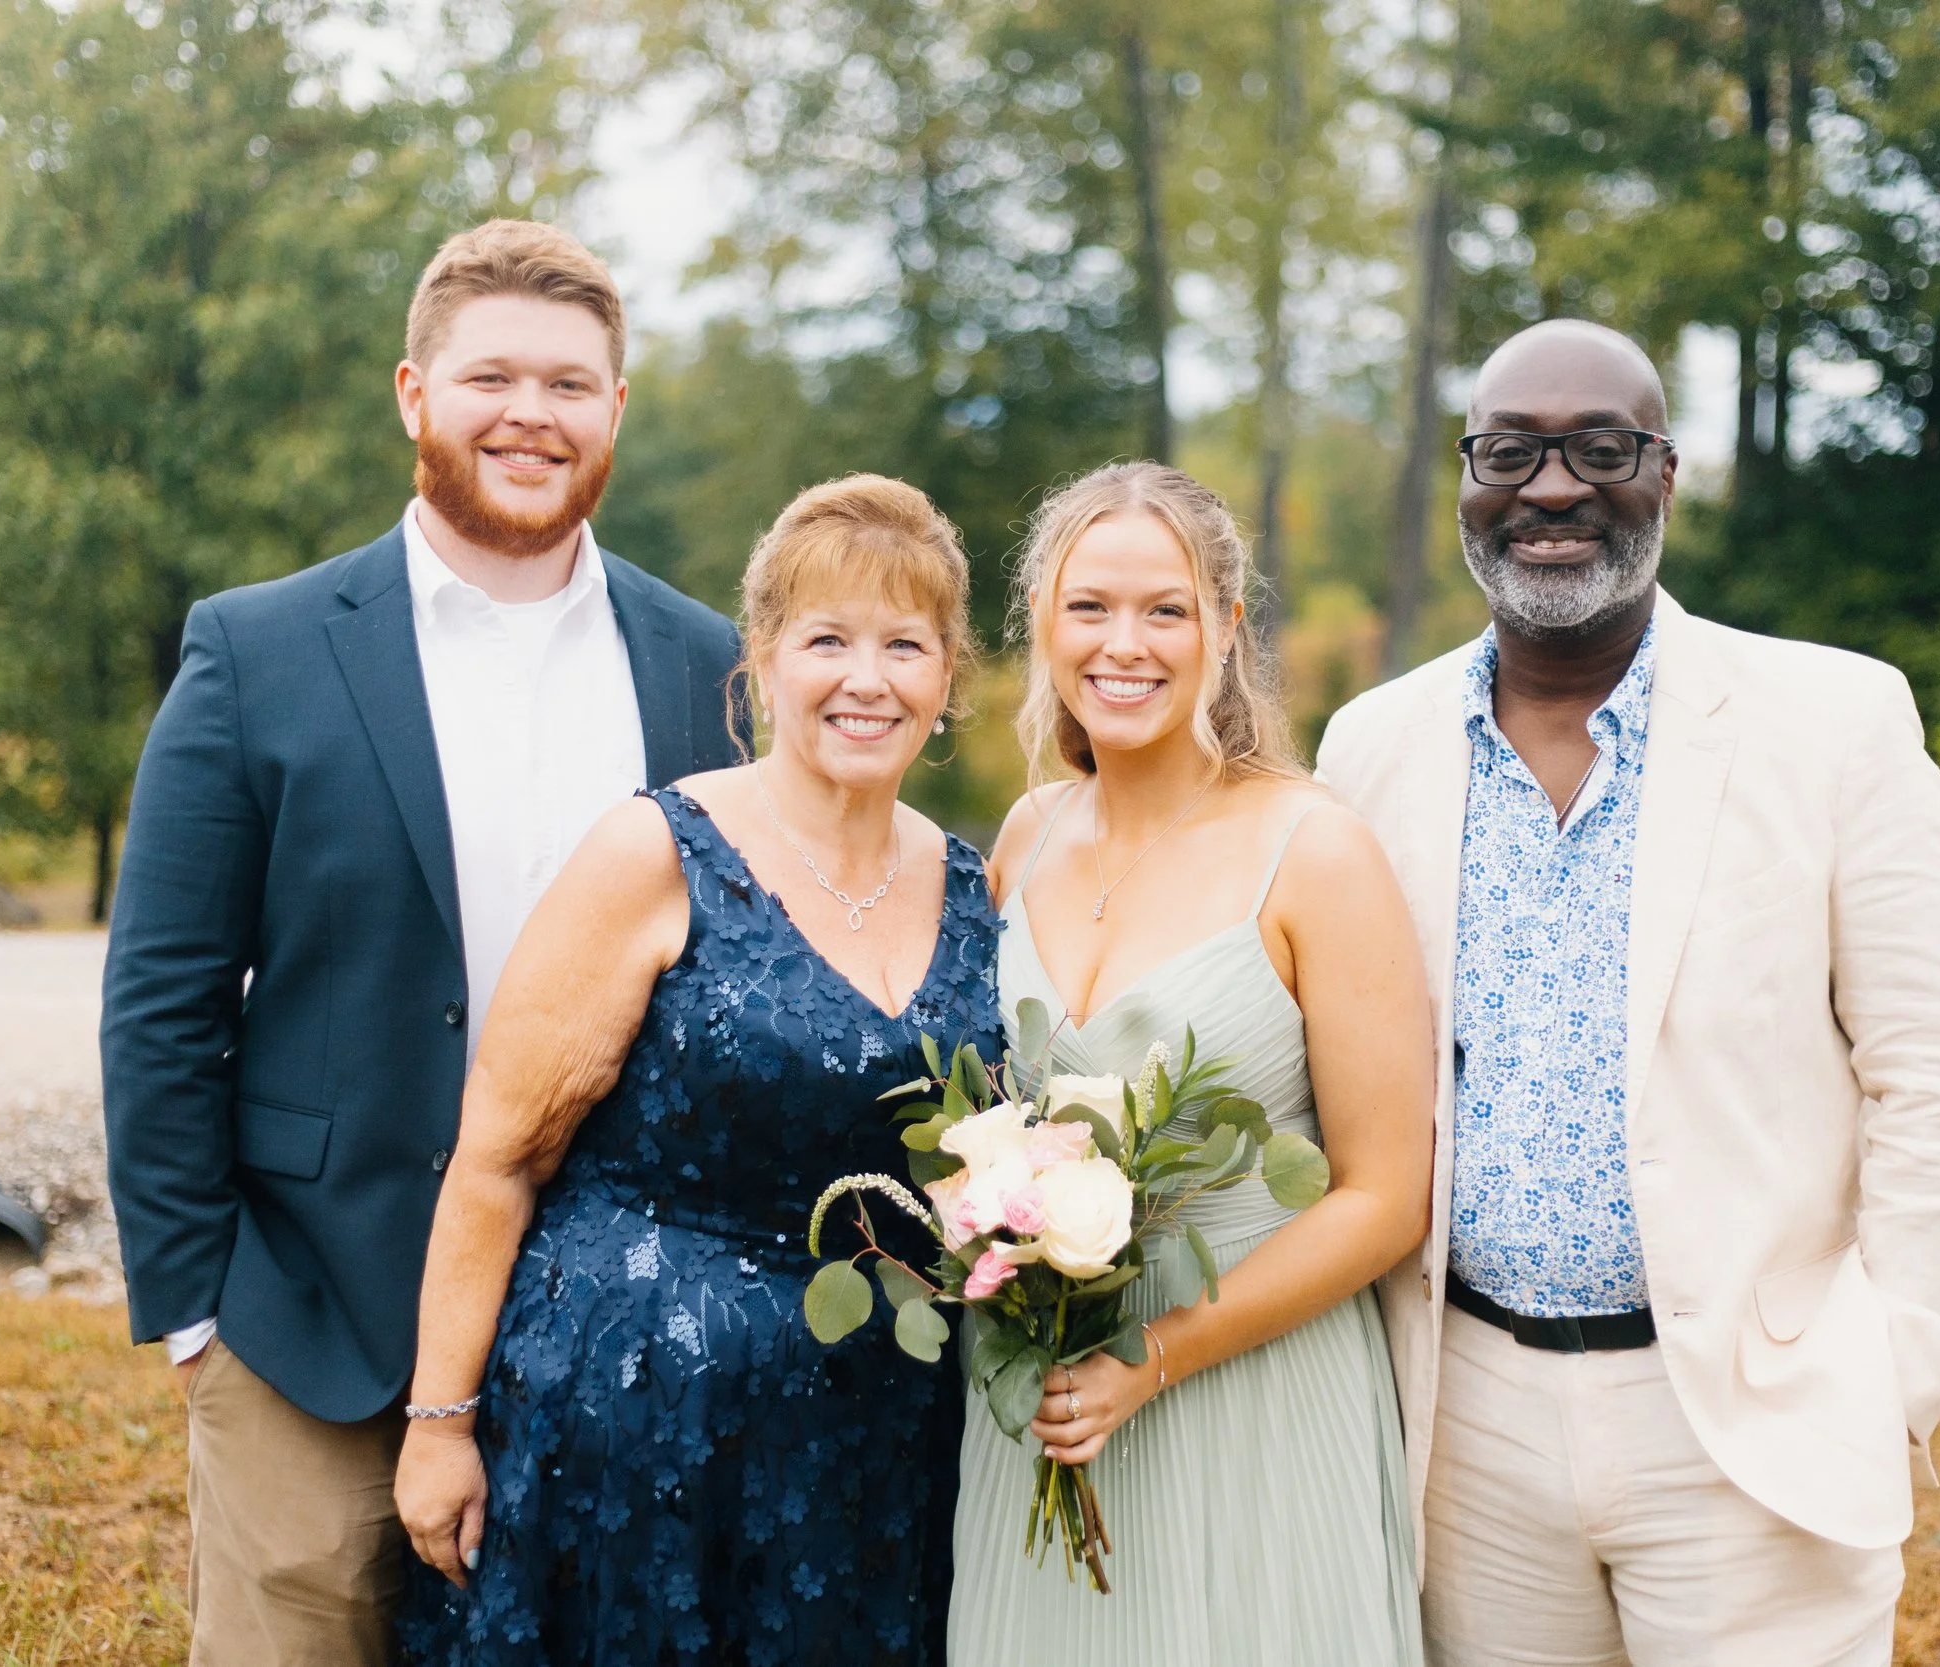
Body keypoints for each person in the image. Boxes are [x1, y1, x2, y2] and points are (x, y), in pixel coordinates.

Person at [1316, 318, 1940, 1665]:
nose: (1552, 487)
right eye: (1509, 452)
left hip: (1750, 1418)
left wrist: (1890, 1372)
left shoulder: (1836, 721)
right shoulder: (1371, 745)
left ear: (1666, 473)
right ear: (1466, 478)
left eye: (1601, 448)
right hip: (1466, 1425)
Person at [101, 219, 743, 1666]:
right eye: (490, 377)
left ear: (616, 409)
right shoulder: (256, 650)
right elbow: (161, 999)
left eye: (569, 384)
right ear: (413, 394)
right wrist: (196, 1310)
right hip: (313, 1309)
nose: (531, 414)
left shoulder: (708, 665)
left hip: (613, 1316)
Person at [390, 474, 1003, 1666]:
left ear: (947, 678)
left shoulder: (973, 885)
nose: (866, 679)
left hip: (876, 1434)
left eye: (904, 644)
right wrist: (439, 1422)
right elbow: (499, 1157)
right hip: (637, 1416)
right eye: (826, 640)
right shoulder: (656, 851)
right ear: (762, 660)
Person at [950, 461, 1433, 1664]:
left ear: (1223, 628)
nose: (1124, 644)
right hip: (1046, 1407)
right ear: (1043, 622)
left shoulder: (1314, 848)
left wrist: (1151, 1356)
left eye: (1164, 610)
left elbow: (1386, 1196)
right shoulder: (1027, 834)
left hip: (1251, 1396)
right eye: (1089, 606)